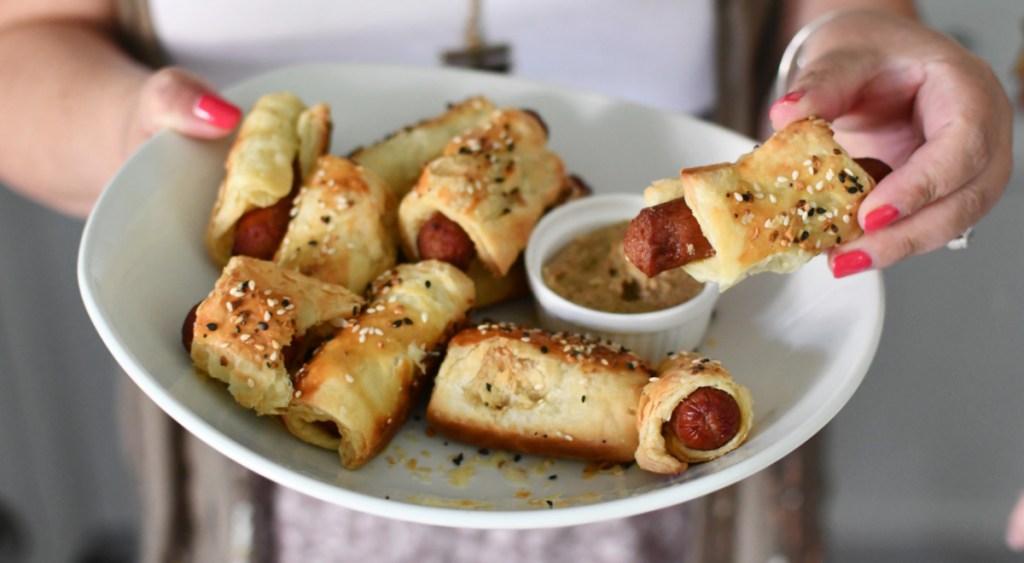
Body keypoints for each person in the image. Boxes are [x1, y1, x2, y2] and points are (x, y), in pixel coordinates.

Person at [0, 1, 1012, 562]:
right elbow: (25, 42)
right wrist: (141, 139)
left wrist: (847, 47)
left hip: (687, 489)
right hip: (264, 506)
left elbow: (836, 7)